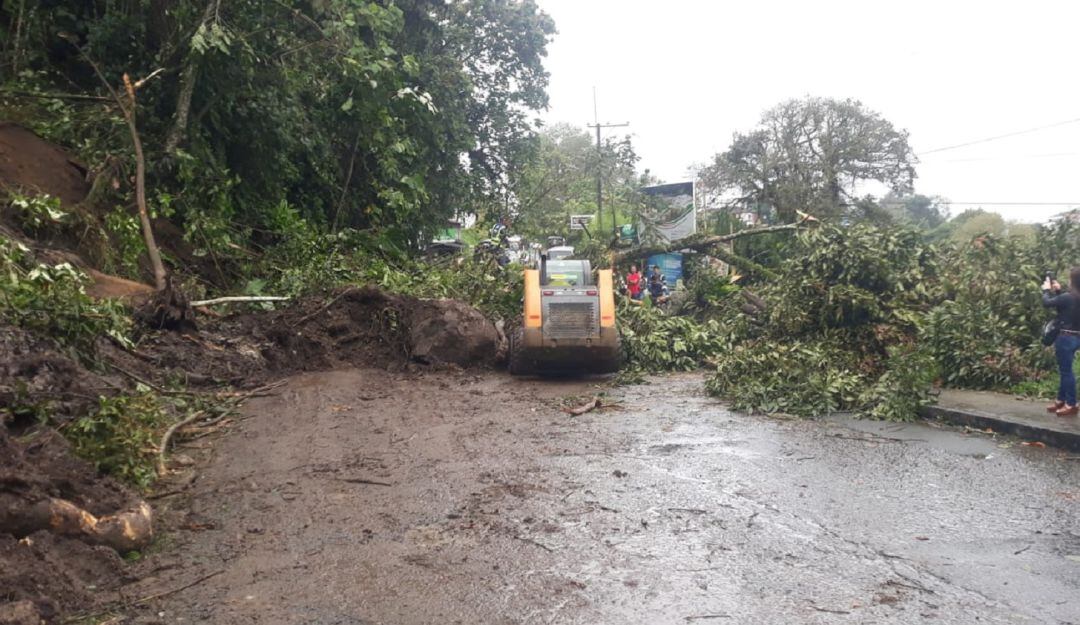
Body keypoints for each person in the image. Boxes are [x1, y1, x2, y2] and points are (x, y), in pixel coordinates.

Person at [1042, 268, 1080, 417]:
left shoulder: (1068, 297)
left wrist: (1046, 290)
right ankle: (1060, 400)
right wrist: (1058, 291)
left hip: (1065, 337)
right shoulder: (1071, 297)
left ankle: (1071, 403)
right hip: (1077, 337)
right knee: (1066, 370)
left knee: (1066, 371)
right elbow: (1066, 309)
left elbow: (1047, 303)